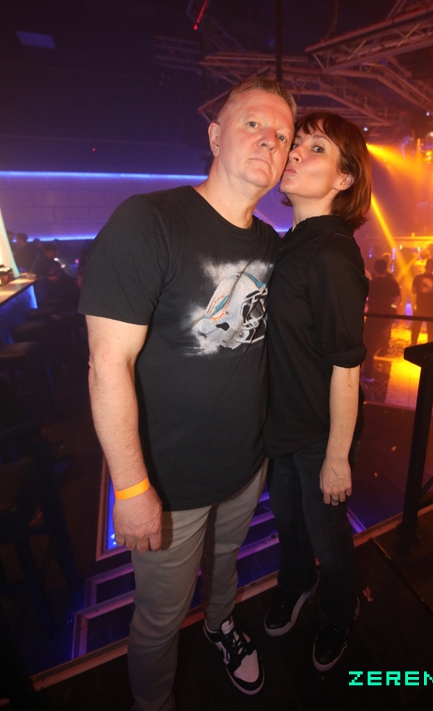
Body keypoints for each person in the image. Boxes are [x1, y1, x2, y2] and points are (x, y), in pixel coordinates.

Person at [79, 78, 296, 710]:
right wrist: (130, 488)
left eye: (283, 135)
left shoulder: (271, 245)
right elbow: (106, 365)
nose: (270, 140)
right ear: (215, 136)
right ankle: (154, 703)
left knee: (226, 565)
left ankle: (221, 625)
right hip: (167, 482)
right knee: (159, 616)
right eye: (254, 124)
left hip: (245, 466)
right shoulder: (149, 221)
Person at [262, 111, 371, 671]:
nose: (297, 152)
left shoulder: (330, 253)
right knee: (287, 522)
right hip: (283, 423)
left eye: (318, 148)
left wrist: (336, 457)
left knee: (329, 539)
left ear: (344, 179)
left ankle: (339, 614)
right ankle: (297, 582)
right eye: (298, 143)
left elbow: (347, 366)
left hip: (319, 432)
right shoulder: (295, 242)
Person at [361, 258, 400, 381]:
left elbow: (365, 300)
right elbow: (397, 300)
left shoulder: (372, 284)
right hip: (387, 317)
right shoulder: (392, 282)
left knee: (368, 344)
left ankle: (367, 373)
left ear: (375, 269)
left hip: (373, 317)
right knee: (378, 340)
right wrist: (390, 306)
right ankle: (372, 363)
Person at [410, 258, 433, 345]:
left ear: (425, 267)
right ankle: (430, 347)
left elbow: (413, 291)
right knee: (431, 330)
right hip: (432, 307)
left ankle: (413, 345)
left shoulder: (417, 278)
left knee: (416, 328)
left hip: (420, 305)